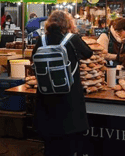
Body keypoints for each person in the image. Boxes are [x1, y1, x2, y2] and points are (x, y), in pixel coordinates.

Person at [31, 10, 93, 156]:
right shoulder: (73, 39)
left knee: (50, 143)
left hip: (47, 95)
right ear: (68, 23)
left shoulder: (42, 40)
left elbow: (33, 58)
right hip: (69, 96)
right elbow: (89, 53)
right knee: (68, 143)